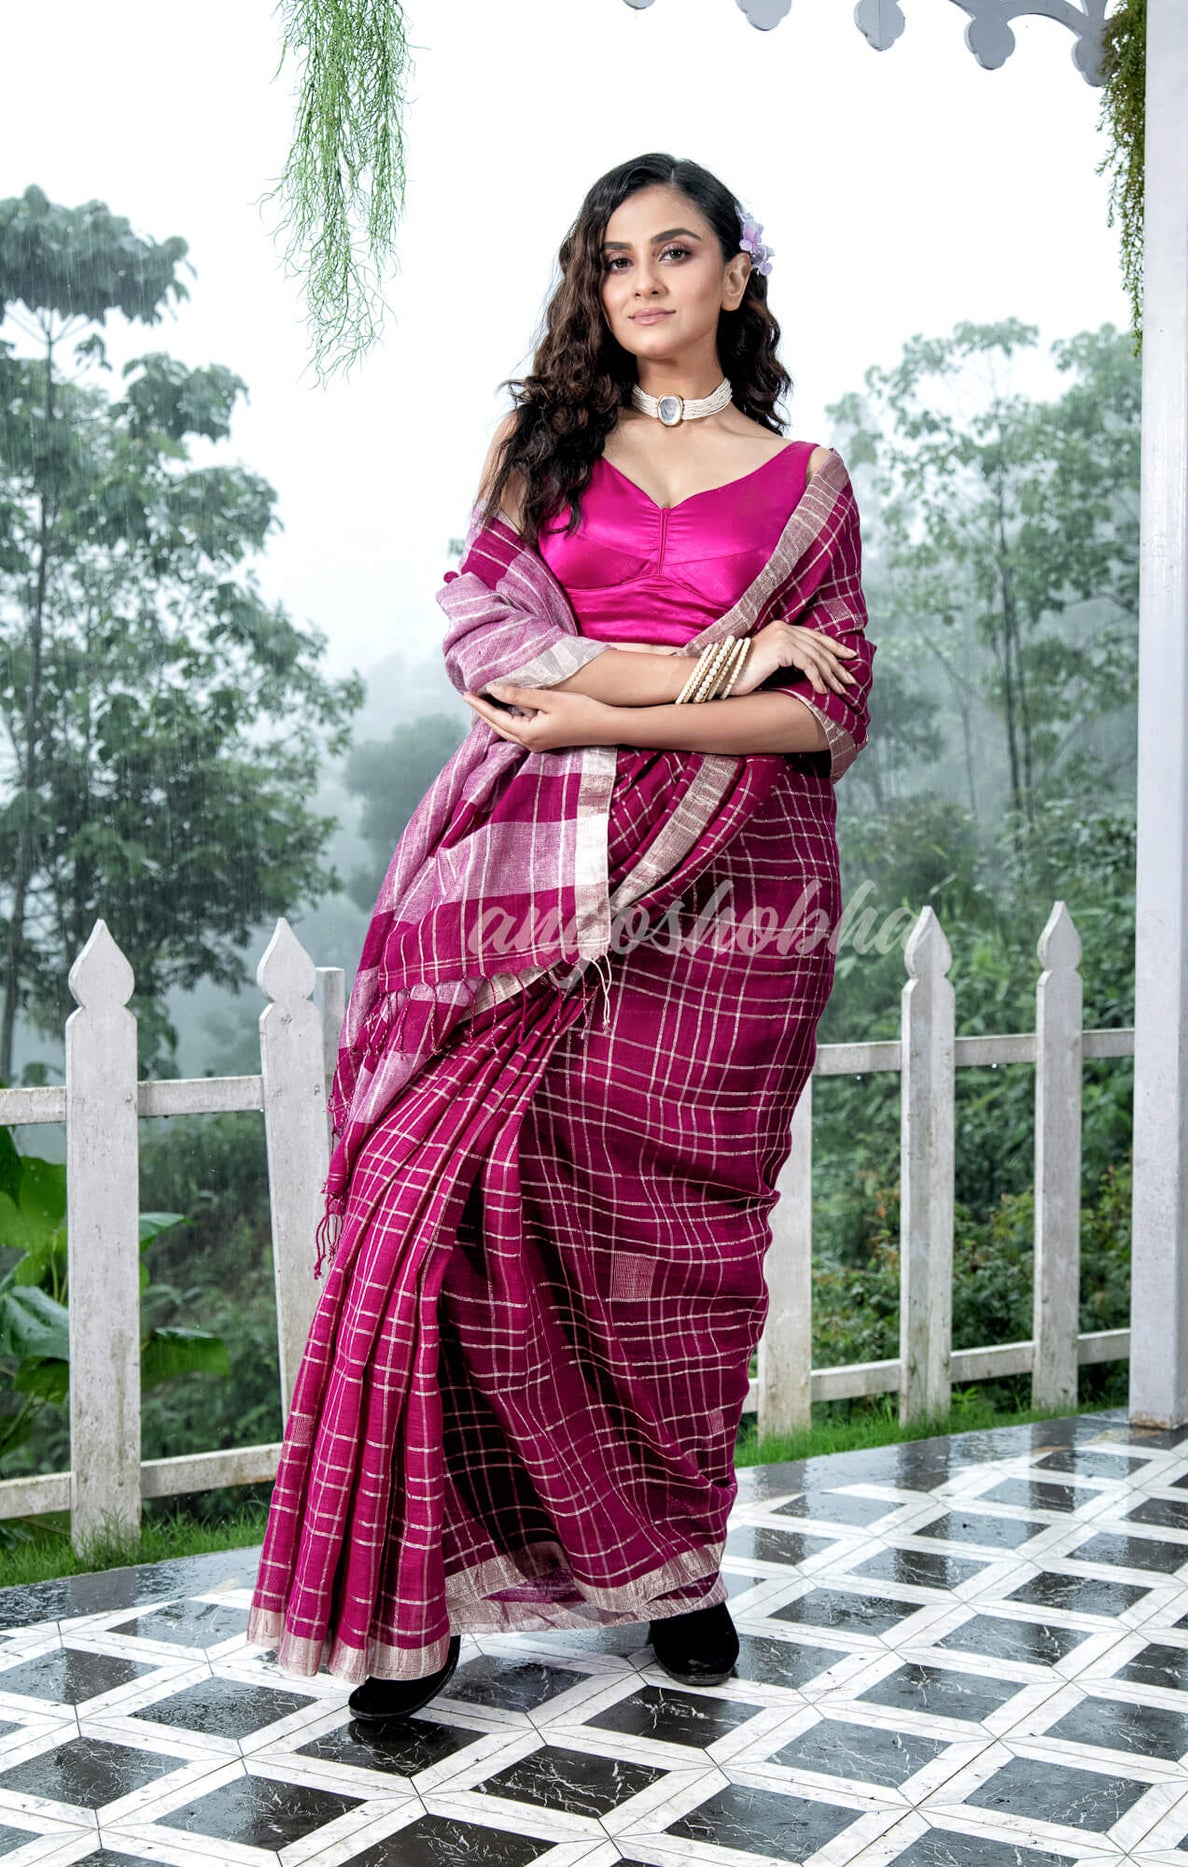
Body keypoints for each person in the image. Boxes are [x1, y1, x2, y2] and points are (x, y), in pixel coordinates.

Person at [246, 151, 875, 1721]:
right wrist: (702, 666)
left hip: (729, 897)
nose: (644, 283)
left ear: (737, 272)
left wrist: (611, 701)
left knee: (662, 1255)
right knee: (427, 1208)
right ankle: (420, 1600)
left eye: (676, 252)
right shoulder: (541, 446)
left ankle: (671, 1565)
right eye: (615, 260)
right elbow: (493, 653)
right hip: (515, 880)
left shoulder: (807, 484)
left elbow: (826, 711)